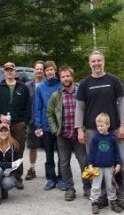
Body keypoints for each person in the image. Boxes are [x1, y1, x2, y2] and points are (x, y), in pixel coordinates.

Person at [75, 50, 124, 208]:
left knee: (119, 162)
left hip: (114, 129)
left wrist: (123, 125)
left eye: (99, 61)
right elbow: (80, 108)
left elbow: (122, 103)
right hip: (92, 130)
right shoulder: (84, 84)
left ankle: (120, 195)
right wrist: (79, 129)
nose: (96, 63)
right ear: (90, 63)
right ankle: (102, 196)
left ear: (103, 62)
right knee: (97, 164)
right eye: (93, 61)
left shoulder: (114, 80)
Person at [47, 66, 91, 201]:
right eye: (63, 77)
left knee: (84, 162)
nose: (66, 79)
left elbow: (88, 111)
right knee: (64, 164)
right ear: (60, 79)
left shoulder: (81, 92)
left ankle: (87, 187)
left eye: (68, 76)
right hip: (63, 135)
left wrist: (84, 129)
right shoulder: (56, 95)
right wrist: (55, 130)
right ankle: (70, 188)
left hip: (79, 135)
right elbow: (50, 114)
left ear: (72, 76)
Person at [0, 61, 30, 189]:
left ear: (15, 71)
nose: (9, 72)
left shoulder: (23, 87)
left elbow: (28, 107)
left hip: (18, 124)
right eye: (7, 70)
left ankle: (18, 177)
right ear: (4, 72)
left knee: (18, 150)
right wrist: (0, 116)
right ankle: (1, 173)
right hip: (2, 125)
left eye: (11, 69)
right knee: (1, 149)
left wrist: (24, 123)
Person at [34, 60, 64, 190]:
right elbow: (37, 107)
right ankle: (50, 178)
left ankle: (62, 178)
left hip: (61, 125)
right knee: (49, 153)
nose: (49, 72)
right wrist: (38, 125)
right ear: (44, 72)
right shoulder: (40, 87)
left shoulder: (61, 84)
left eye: (52, 69)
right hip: (46, 125)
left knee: (62, 153)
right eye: (47, 70)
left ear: (55, 70)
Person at [88, 113, 122, 214]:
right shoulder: (95, 139)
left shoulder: (112, 138)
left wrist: (118, 164)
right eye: (98, 126)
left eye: (102, 125)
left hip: (110, 167)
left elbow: (116, 152)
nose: (99, 128)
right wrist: (90, 165)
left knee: (110, 185)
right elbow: (91, 153)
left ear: (108, 125)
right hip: (97, 167)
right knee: (96, 186)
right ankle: (94, 202)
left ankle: (112, 201)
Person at [0, 123, 21, 205]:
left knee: (8, 183)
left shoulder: (14, 144)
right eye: (1, 131)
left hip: (8, 173)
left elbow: (16, 163)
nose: (3, 133)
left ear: (9, 132)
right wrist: (9, 165)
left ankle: (3, 190)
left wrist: (11, 171)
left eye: (6, 130)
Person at [25, 60, 45, 180]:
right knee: (33, 146)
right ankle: (32, 169)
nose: (39, 71)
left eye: (41, 69)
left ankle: (51, 171)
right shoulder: (28, 86)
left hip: (46, 121)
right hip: (32, 121)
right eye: (37, 69)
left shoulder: (48, 84)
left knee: (49, 147)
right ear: (33, 70)